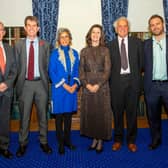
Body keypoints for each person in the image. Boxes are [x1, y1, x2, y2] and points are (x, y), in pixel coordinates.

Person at [14, 16, 52, 157]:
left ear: (38, 28)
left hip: (41, 85)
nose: (31, 28)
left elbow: (47, 66)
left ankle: (44, 142)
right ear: (25, 28)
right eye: (28, 25)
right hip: (25, 85)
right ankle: (22, 144)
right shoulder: (18, 45)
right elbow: (16, 66)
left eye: (34, 25)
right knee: (24, 117)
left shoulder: (45, 44)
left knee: (43, 116)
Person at [107, 17, 143, 152]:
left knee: (132, 114)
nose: (122, 28)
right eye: (120, 26)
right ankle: (117, 140)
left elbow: (142, 64)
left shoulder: (138, 43)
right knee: (117, 113)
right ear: (116, 29)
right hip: (116, 83)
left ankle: (131, 140)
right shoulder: (109, 46)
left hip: (133, 82)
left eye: (125, 26)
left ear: (129, 28)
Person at [80, 24, 112, 153]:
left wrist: (98, 85)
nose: (95, 34)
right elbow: (81, 71)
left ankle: (100, 141)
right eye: (93, 32)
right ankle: (94, 138)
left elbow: (107, 70)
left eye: (98, 32)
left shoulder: (105, 50)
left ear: (101, 35)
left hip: (102, 88)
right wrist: (87, 85)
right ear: (90, 34)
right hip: (88, 88)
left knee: (101, 114)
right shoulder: (84, 51)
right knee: (91, 114)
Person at [48, 28, 80, 155]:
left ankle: (67, 140)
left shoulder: (75, 53)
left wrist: (75, 85)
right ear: (58, 40)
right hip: (59, 90)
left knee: (68, 117)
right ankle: (60, 143)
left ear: (70, 39)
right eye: (62, 37)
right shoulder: (54, 54)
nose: (64, 39)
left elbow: (78, 71)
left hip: (71, 90)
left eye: (67, 36)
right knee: (59, 118)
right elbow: (52, 72)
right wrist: (65, 85)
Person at [144, 14, 168, 150]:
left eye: (157, 23)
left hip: (167, 85)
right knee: (153, 117)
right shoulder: (146, 44)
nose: (155, 26)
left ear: (163, 24)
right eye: (152, 25)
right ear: (150, 27)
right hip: (151, 86)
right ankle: (156, 140)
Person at [0, 21, 17, 159]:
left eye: (1, 30)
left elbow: (14, 70)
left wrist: (7, 83)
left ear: (4, 33)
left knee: (5, 121)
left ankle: (4, 146)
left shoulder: (9, 48)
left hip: (7, 91)